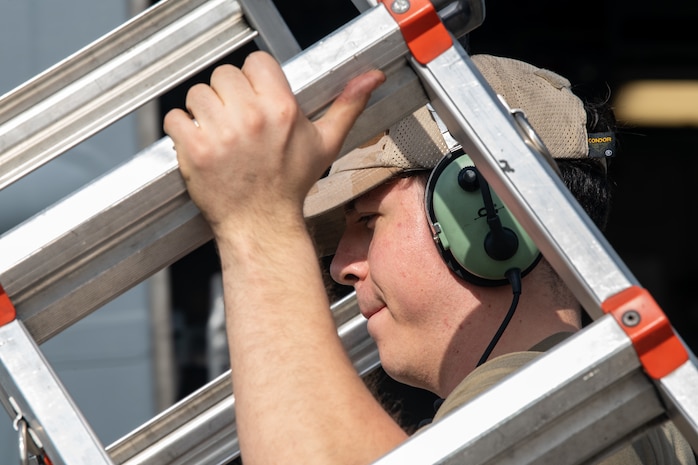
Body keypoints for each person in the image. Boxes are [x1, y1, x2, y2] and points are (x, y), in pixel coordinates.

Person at [164, 51, 695, 464]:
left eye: (367, 222)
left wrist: (256, 223)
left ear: (489, 212)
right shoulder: (590, 406)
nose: (341, 267)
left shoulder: (564, 406)